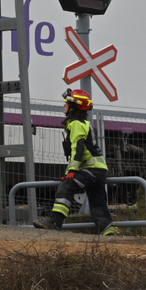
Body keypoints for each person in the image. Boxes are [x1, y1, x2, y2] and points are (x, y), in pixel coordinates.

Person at [34, 89, 118, 235]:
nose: (63, 106)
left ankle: (55, 222)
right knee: (97, 201)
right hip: (99, 170)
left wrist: (71, 172)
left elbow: (77, 149)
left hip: (90, 169)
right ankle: (109, 231)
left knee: (66, 186)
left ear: (73, 107)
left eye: (66, 103)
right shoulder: (82, 123)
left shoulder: (75, 124)